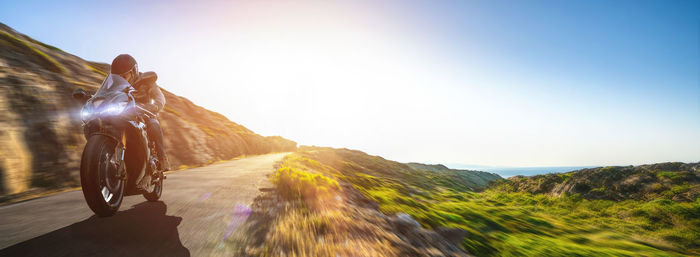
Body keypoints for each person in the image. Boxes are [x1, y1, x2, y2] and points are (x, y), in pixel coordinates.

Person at [110, 54, 170, 171]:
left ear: (134, 71)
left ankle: (162, 159)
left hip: (144, 113)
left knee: (153, 124)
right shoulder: (115, 84)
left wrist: (155, 106)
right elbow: (107, 94)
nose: (122, 78)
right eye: (119, 76)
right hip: (122, 113)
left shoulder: (147, 80)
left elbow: (160, 97)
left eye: (124, 75)